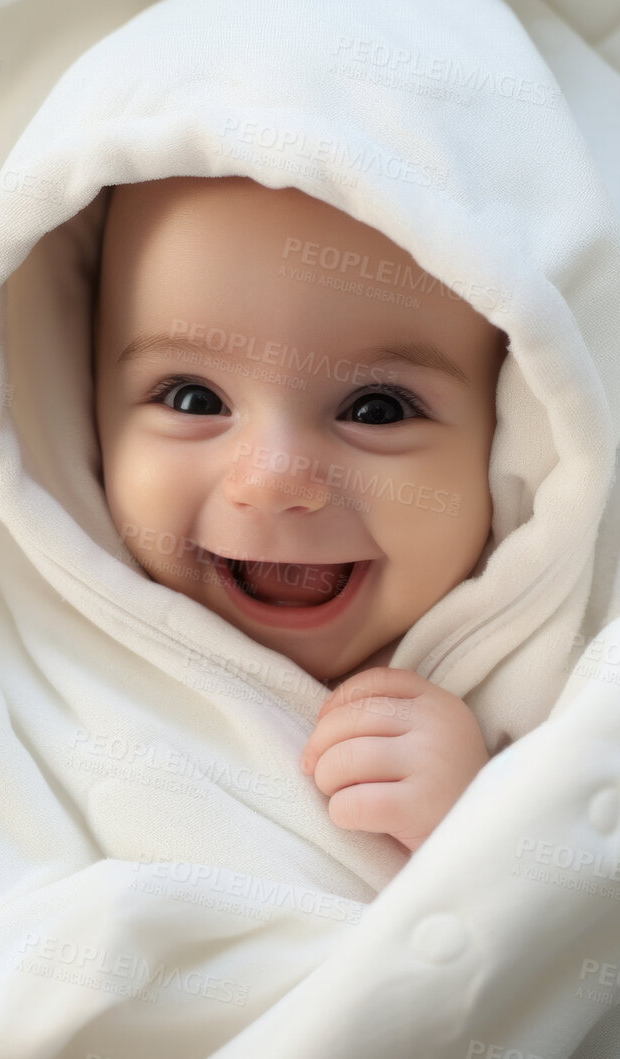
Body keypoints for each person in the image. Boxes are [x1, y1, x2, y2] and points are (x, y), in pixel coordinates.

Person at [91, 175, 507, 852]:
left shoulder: (566, 694)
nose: (275, 480)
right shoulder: (26, 665)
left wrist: (476, 828)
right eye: (195, 399)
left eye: (377, 409)